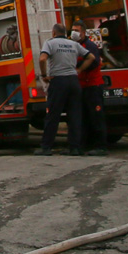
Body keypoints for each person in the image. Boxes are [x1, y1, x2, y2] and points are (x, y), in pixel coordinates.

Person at [37, 23, 95, 156]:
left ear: (53, 33)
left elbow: (42, 59)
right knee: (74, 115)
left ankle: (46, 147)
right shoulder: (73, 44)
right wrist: (79, 69)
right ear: (65, 32)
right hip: (74, 81)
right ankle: (74, 148)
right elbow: (91, 57)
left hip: (58, 81)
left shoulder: (50, 43)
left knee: (53, 115)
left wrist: (44, 75)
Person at [72, 20, 108, 156]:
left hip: (93, 85)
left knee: (96, 116)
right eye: (73, 30)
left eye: (77, 30)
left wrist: (80, 68)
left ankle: (101, 146)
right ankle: (83, 145)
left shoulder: (90, 46)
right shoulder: (75, 46)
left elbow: (94, 62)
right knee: (83, 117)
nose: (74, 32)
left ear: (83, 32)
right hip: (81, 86)